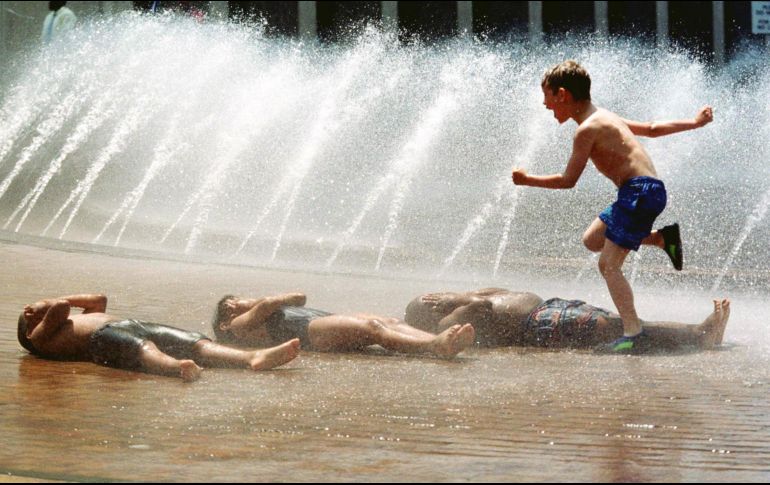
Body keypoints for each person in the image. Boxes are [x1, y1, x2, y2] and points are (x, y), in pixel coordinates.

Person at [511, 60, 714, 353]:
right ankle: (661, 238)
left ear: (563, 95)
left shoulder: (586, 130)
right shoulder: (605, 116)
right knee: (593, 239)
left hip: (638, 193)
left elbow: (568, 181)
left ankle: (633, 333)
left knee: (608, 265)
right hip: (641, 192)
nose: (545, 105)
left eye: (548, 97)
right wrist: (694, 123)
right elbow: (653, 129)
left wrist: (527, 179)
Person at [17, 294, 300, 382]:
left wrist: (51, 302)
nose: (33, 312)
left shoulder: (66, 320)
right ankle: (174, 367)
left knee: (193, 341)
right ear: (27, 330)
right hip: (103, 339)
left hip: (131, 324)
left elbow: (98, 298)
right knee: (143, 347)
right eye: (28, 315)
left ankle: (252, 357)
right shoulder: (38, 338)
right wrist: (44, 305)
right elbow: (61, 307)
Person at [405, 288, 730, 353]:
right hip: (542, 324)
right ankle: (699, 334)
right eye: (430, 302)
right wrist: (455, 300)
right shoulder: (451, 321)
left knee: (621, 323)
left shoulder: (467, 296)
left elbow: (492, 295)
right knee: (620, 328)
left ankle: (698, 335)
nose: (436, 297)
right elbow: (483, 307)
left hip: (551, 309)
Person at [212, 293, 476, 359]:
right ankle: (434, 346)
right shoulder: (236, 325)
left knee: (389, 322)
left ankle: (438, 338)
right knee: (373, 328)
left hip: (315, 322)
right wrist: (250, 303)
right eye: (229, 304)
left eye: (235, 299)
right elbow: (270, 302)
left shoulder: (261, 311)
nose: (235, 303)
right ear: (223, 323)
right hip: (308, 331)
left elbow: (300, 297)